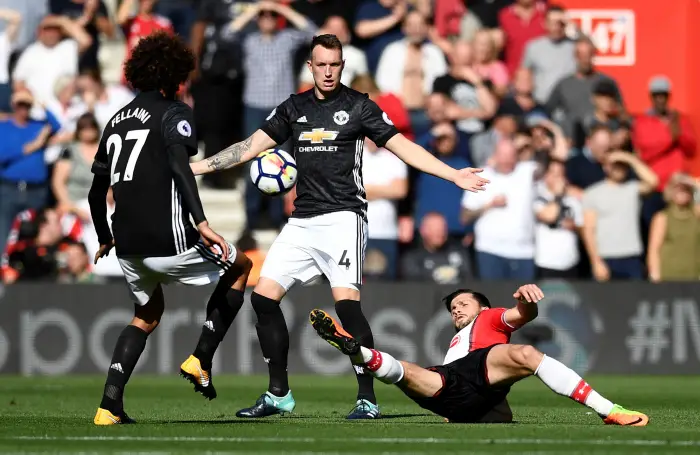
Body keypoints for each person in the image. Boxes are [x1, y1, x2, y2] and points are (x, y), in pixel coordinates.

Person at [190, 33, 488, 420]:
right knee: (263, 298)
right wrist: (193, 168)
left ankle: (367, 398)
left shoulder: (359, 107)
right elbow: (249, 147)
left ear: (343, 66)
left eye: (335, 64)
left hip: (344, 217)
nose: (328, 72)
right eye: (322, 65)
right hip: (302, 220)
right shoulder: (293, 107)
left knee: (346, 307)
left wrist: (453, 175)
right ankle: (278, 393)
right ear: (310, 67)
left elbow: (403, 147)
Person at [90, 32, 252, 425]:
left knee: (146, 313)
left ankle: (108, 406)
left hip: (127, 244)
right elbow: (181, 169)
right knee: (242, 266)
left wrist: (104, 237)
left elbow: (97, 192)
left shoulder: (114, 121)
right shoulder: (174, 113)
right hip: (171, 238)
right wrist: (201, 222)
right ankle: (201, 357)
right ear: (174, 75)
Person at [309, 284, 649, 426]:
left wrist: (525, 301)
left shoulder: (489, 316)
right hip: (455, 390)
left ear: (482, 306)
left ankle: (609, 410)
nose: (456, 311)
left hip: (479, 373)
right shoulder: (456, 339)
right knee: (406, 372)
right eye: (453, 308)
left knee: (527, 354)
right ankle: (355, 350)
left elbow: (521, 316)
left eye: (462, 304)